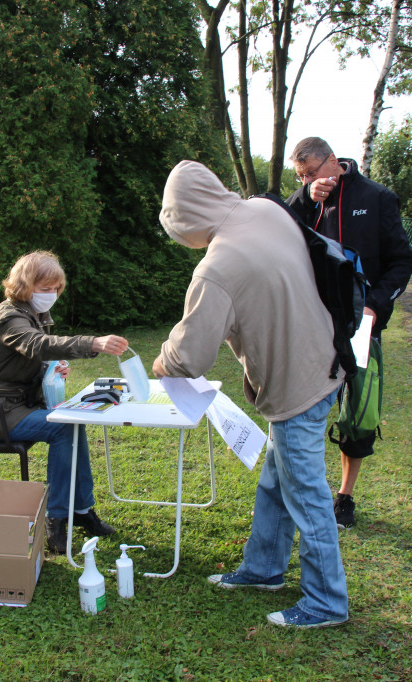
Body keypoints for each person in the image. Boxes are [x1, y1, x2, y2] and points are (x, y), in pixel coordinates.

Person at [152, 160, 348, 629]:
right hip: (326, 362)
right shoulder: (264, 209)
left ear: (183, 218)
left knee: (307, 494)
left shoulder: (216, 268)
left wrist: (161, 362)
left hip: (296, 385)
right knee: (277, 483)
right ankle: (263, 569)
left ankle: (327, 604)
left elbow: (188, 358)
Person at [286, 137, 412, 530]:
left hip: (362, 325)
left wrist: (376, 305)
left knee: (358, 413)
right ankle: (306, 490)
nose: (309, 179)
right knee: (303, 407)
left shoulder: (377, 197)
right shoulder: (306, 199)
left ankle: (345, 496)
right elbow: (279, 225)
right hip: (312, 322)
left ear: (333, 161)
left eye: (312, 172)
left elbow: (402, 260)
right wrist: (307, 196)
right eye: (301, 175)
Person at [0, 251, 130, 554]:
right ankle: (56, 520)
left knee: (74, 423)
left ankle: (81, 511)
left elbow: (26, 359)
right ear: (25, 285)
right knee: (63, 428)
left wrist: (49, 369)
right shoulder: (9, 316)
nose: (51, 295)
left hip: (13, 405)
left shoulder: (34, 314)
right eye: (45, 288)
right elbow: (35, 345)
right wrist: (91, 343)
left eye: (55, 289)